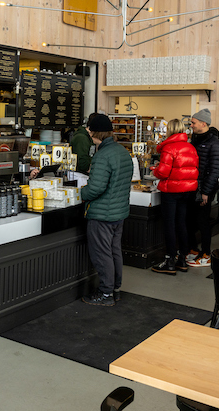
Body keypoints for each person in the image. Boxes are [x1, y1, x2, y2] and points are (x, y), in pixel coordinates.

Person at [80, 114, 134, 306]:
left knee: (102, 255)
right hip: (119, 212)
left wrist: (81, 193)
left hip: (102, 214)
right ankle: (115, 289)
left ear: (94, 132)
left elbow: (96, 188)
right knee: (114, 252)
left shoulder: (102, 155)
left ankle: (105, 294)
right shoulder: (122, 151)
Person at [150, 119, 199, 275]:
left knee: (169, 225)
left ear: (169, 130)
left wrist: (154, 170)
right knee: (181, 223)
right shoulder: (191, 147)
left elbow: (163, 172)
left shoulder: (169, 148)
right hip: (187, 191)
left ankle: (170, 260)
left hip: (171, 191)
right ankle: (182, 259)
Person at [185, 109, 219, 268]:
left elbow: (214, 170)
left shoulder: (215, 144)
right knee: (190, 220)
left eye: (193, 122)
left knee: (202, 222)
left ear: (203, 123)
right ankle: (194, 249)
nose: (191, 125)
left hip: (204, 189)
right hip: (191, 186)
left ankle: (206, 254)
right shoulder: (194, 140)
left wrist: (205, 192)